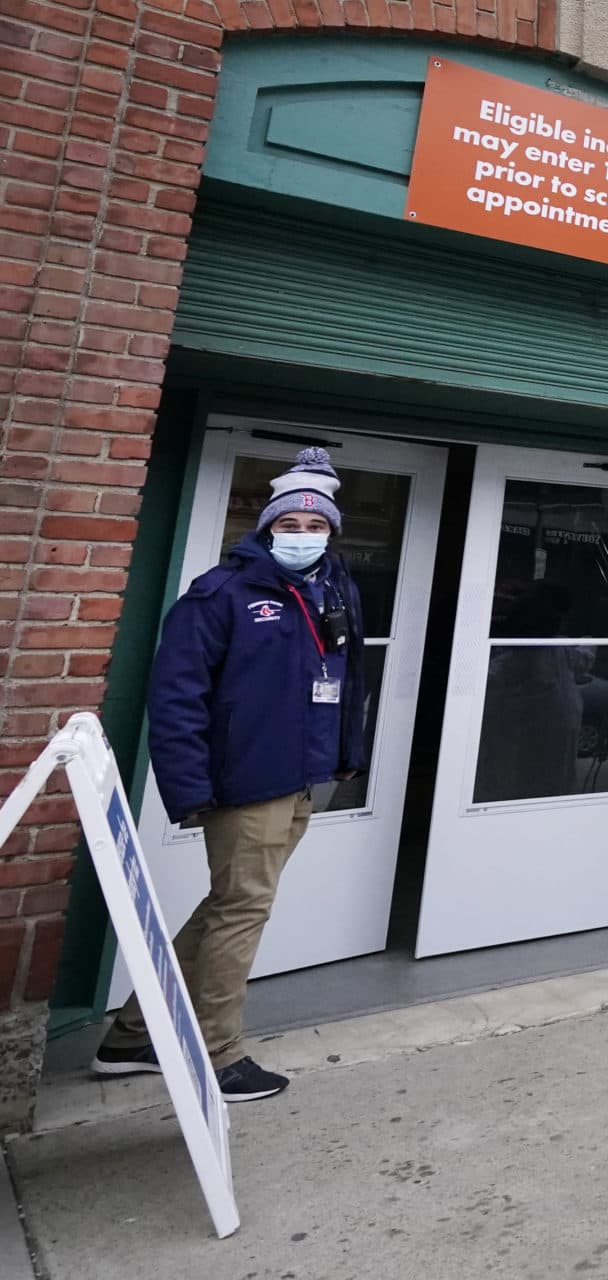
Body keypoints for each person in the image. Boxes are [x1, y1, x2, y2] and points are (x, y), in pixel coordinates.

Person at [91, 448, 367, 1102]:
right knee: (243, 908)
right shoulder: (222, 594)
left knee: (228, 905)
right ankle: (216, 1055)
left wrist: (345, 755)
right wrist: (188, 790)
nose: (302, 535)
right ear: (267, 527)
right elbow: (176, 696)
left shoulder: (336, 589)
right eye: (289, 525)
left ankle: (131, 1036)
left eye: (316, 525)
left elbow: (346, 681)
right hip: (247, 784)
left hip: (303, 778)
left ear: (331, 530)